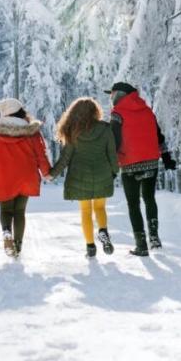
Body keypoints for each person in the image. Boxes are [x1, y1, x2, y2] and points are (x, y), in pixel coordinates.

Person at [106, 82, 177, 257]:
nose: (110, 98)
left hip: (129, 164)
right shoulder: (148, 111)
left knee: (133, 203)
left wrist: (110, 167)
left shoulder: (117, 115)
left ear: (119, 95)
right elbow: (159, 137)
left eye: (112, 94)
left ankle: (141, 244)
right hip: (151, 162)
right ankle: (154, 238)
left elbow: (114, 142)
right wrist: (167, 158)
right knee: (149, 198)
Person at [0, 98, 51, 257]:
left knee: (5, 210)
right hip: (26, 176)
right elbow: (41, 156)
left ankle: (6, 232)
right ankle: (18, 245)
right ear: (20, 112)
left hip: (2, 177)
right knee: (19, 211)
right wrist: (46, 172)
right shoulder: (32, 132)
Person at [48, 97, 119, 258]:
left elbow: (65, 158)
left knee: (85, 211)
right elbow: (112, 154)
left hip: (80, 177)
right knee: (100, 208)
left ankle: (90, 247)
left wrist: (52, 174)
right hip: (102, 175)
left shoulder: (73, 131)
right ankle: (103, 230)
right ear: (95, 112)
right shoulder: (106, 129)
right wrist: (114, 171)